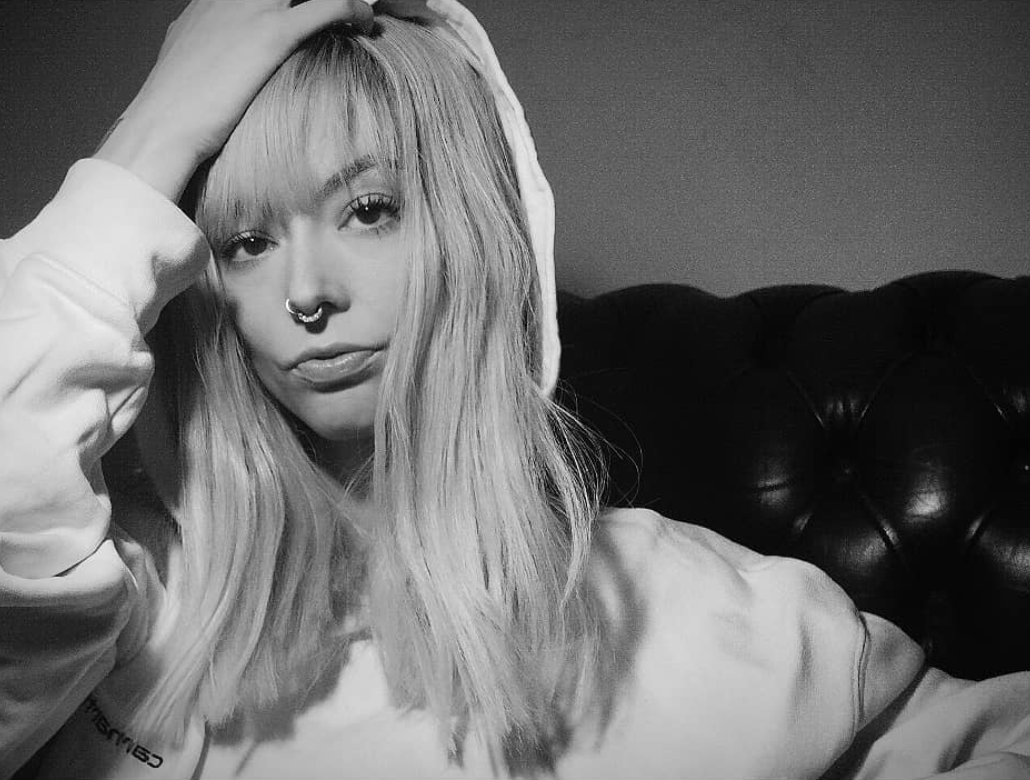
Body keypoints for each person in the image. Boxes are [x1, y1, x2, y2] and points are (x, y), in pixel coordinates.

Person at [2, 1, 1029, 778]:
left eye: (368, 209)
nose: (306, 291)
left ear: (472, 234)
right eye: (247, 241)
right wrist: (150, 140)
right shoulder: (113, 592)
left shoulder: (674, 606)